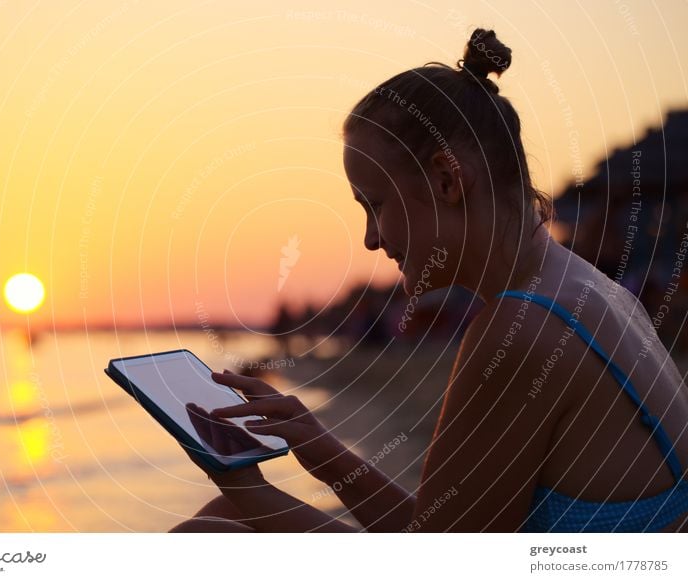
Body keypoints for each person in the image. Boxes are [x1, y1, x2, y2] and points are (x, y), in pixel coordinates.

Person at [170, 28, 688, 532]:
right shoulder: (593, 290)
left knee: (214, 530)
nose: (372, 239)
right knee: (226, 520)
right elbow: (444, 532)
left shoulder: (522, 328)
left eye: (375, 205)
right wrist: (318, 446)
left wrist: (247, 489)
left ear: (446, 179)